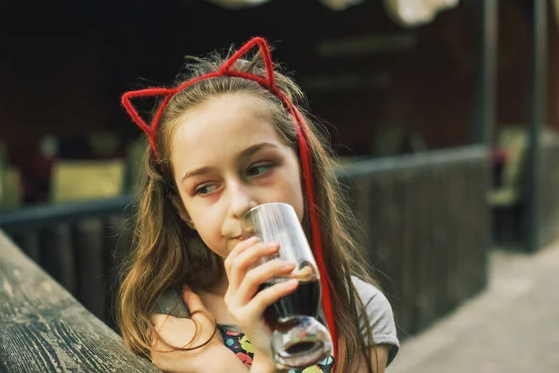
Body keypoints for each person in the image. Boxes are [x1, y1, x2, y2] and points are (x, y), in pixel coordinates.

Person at [116, 37, 399, 373]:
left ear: (302, 165)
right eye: (205, 187)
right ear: (182, 210)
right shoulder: (171, 315)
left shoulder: (359, 310)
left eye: (258, 168)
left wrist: (229, 367)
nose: (240, 203)